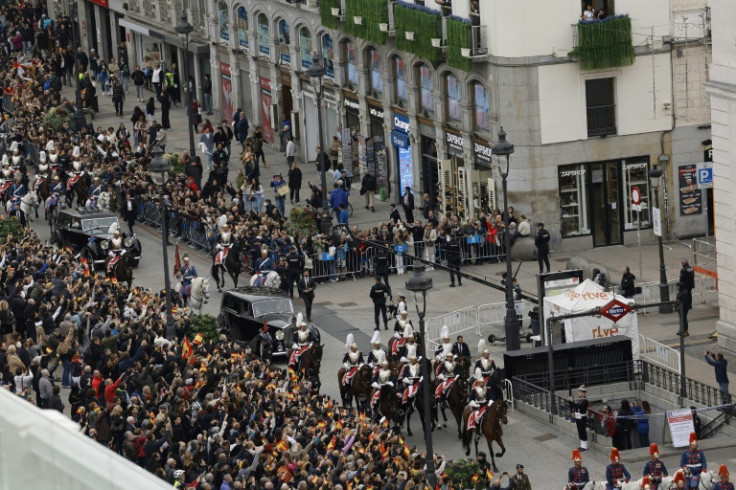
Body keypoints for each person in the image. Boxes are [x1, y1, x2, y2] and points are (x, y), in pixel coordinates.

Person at [568, 385, 589, 451]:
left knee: (582, 431)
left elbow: (579, 406)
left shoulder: (585, 401)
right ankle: (582, 445)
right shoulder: (579, 400)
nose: (579, 393)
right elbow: (575, 407)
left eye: (580, 392)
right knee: (580, 431)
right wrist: (571, 404)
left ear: (583, 393)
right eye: (579, 392)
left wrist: (572, 401)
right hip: (578, 417)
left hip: (582, 418)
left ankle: (584, 446)